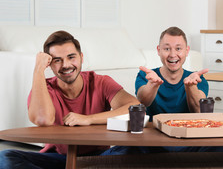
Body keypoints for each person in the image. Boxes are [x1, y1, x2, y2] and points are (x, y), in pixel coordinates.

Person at [0, 30, 140, 169]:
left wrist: (88, 119)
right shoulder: (45, 88)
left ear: (81, 57)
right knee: (5, 157)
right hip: (58, 158)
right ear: (49, 64)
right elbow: (43, 119)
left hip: (99, 157)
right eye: (57, 60)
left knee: (139, 149)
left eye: (71, 57)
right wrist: (38, 69)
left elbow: (134, 108)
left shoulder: (100, 82)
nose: (66, 65)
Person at [135, 26, 223, 153]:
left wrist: (190, 87)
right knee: (127, 147)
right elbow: (143, 100)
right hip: (155, 140)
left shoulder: (197, 78)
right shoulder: (146, 75)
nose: (172, 54)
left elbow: (199, 111)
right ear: (159, 50)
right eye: (167, 49)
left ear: (187, 51)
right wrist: (153, 84)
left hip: (188, 140)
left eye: (178, 49)